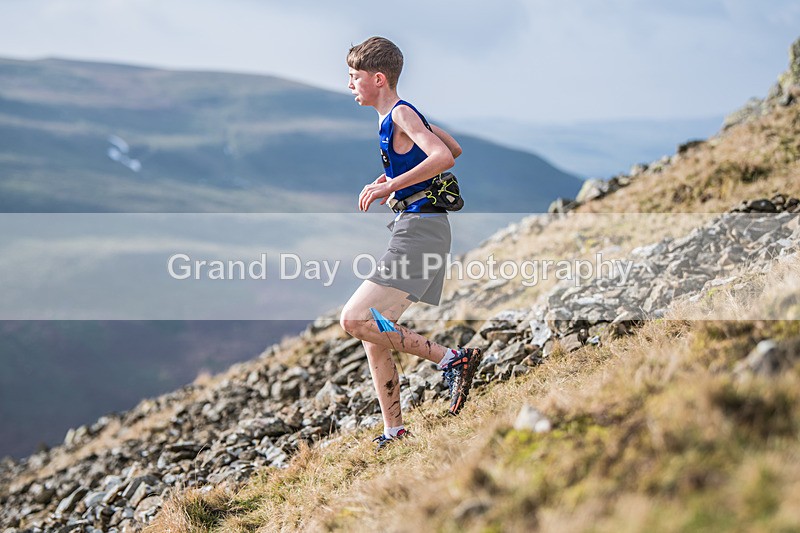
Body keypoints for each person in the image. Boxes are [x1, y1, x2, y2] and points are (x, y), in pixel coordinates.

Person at [340, 36, 483, 451]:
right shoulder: (396, 116)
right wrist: (393, 179)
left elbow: (444, 157)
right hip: (417, 227)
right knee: (373, 331)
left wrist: (393, 186)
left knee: (353, 319)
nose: (350, 84)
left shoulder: (400, 112)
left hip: (420, 230)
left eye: (355, 76)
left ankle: (450, 358)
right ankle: (395, 430)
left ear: (378, 78)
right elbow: (451, 145)